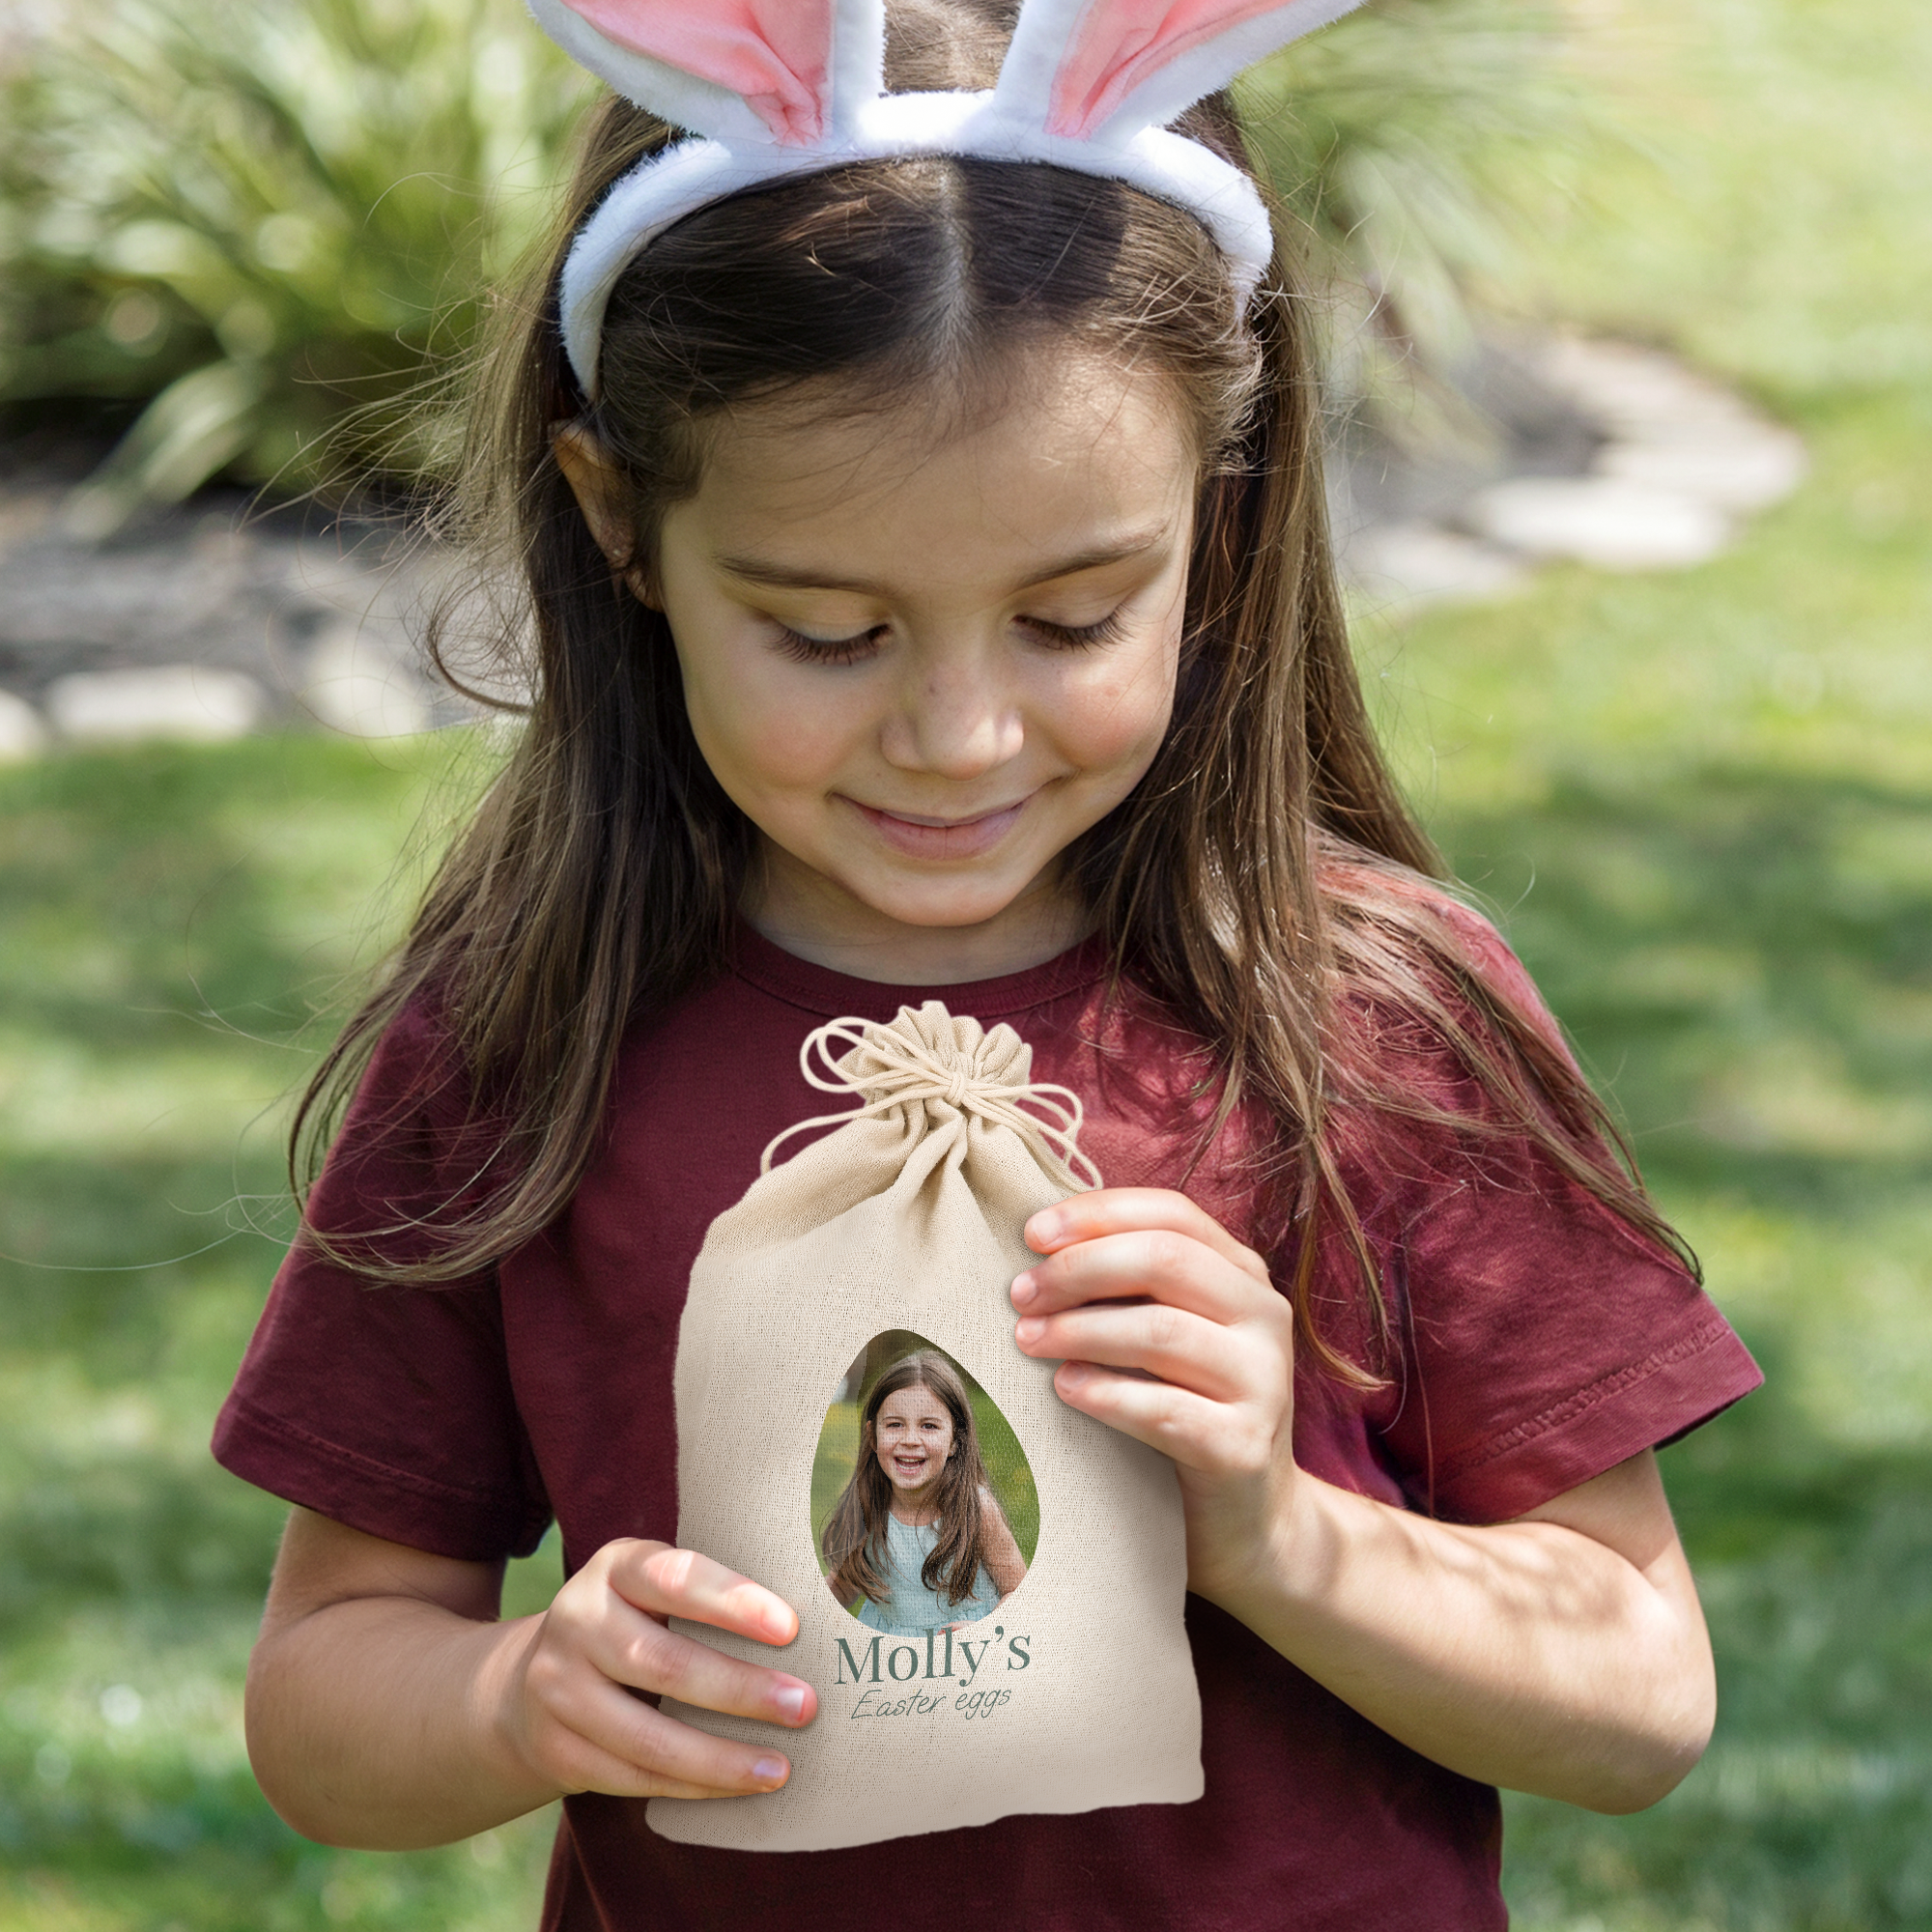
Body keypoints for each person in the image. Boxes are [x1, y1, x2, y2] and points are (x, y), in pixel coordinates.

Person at [214, 0, 1762, 1924]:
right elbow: (323, 1692)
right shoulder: (529, 1037)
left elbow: (1635, 1693)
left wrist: (1281, 1532)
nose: (956, 733)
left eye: (1069, 614)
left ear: (1221, 512)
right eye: (828, 631)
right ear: (622, 525)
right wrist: (516, 1691)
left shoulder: (1367, 1020)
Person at [820, 1350, 1028, 1632]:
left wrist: (984, 1633)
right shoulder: (867, 1507)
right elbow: (842, 1589)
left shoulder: (976, 1510)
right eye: (895, 1424)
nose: (910, 1440)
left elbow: (1019, 1594)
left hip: (963, 1655)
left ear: (955, 1440)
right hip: (889, 1656)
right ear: (873, 1436)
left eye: (929, 1426)